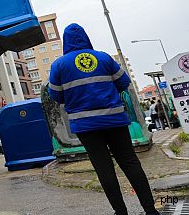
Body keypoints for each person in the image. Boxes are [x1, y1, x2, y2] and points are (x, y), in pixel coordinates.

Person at [49, 23, 158, 215]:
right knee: (130, 162)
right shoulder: (103, 57)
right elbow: (123, 82)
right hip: (114, 120)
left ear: (66, 42)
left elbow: (56, 96)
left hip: (85, 125)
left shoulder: (59, 65)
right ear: (86, 37)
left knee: (103, 168)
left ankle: (120, 212)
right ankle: (150, 210)